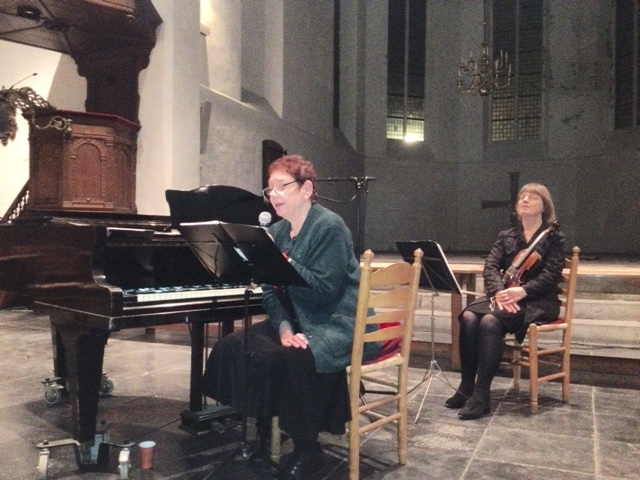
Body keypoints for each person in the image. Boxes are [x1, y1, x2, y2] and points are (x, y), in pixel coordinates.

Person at [202, 154, 380, 480]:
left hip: (335, 320)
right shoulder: (279, 230)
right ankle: (264, 430)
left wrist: (280, 258)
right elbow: (270, 293)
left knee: (297, 356)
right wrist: (284, 328)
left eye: (282, 186)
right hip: (296, 319)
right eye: (270, 189)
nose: (274, 195)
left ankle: (307, 447)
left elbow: (324, 292)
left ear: (306, 189)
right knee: (236, 346)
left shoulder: (329, 226)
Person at [445, 183, 565, 420]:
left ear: (544, 206)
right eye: (522, 197)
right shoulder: (506, 236)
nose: (525, 200)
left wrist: (522, 291)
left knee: (490, 322)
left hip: (537, 301)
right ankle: (466, 386)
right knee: (468, 317)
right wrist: (500, 291)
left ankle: (481, 395)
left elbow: (551, 275)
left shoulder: (553, 237)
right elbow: (490, 266)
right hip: (504, 295)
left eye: (532, 197)